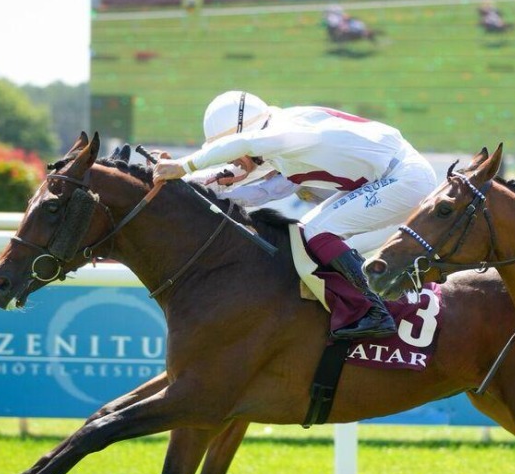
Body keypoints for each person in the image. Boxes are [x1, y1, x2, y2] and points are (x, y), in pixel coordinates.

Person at [153, 91, 437, 341]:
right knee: (306, 235)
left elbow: (244, 147)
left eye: (234, 150)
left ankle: (373, 311)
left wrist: (183, 165)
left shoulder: (284, 133)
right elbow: (264, 190)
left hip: (404, 177)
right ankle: (362, 307)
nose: (233, 162)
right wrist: (187, 185)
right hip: (393, 177)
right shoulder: (279, 147)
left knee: (315, 233)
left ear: (246, 134)